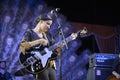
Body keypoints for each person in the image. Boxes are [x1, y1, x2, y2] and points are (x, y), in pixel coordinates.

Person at [19, 13, 77, 80]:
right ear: (41, 22)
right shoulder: (29, 33)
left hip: (50, 65)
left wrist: (69, 39)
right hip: (37, 65)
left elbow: (55, 47)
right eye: (48, 23)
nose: (49, 27)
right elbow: (23, 46)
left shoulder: (48, 35)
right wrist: (39, 41)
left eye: (50, 25)